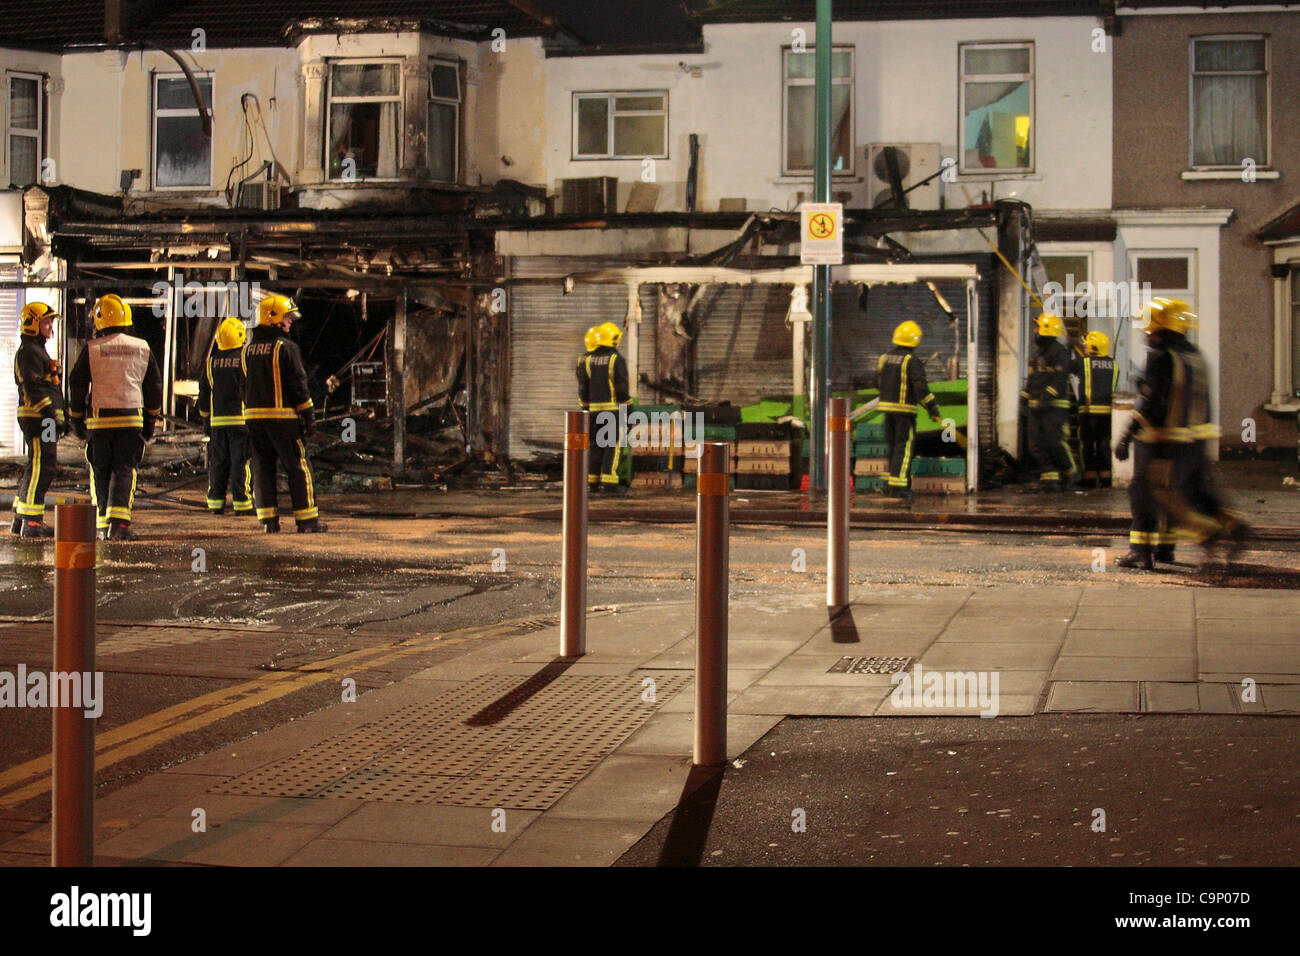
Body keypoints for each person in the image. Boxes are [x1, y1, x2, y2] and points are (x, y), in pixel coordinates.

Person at [1114, 298, 1247, 570]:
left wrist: (1127, 436)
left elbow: (1152, 401)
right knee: (1197, 493)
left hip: (1162, 441)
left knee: (1145, 493)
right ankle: (1228, 529)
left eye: (1149, 327)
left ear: (1159, 326)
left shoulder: (1161, 355)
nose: (1145, 333)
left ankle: (1144, 551)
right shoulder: (1193, 354)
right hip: (1196, 441)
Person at [67, 294, 163, 541]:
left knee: (100, 469)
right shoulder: (142, 347)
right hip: (132, 420)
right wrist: (151, 421)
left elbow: (76, 384)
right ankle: (119, 525)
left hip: (100, 423)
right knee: (124, 469)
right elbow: (153, 386)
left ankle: (102, 524)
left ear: (99, 321)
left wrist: (76, 420)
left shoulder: (91, 349)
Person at [243, 293, 325, 533]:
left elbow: (242, 388)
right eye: (287, 317)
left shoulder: (247, 351)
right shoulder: (285, 348)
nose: (290, 322)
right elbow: (299, 385)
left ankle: (269, 522)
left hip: (254, 422)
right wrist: (308, 417)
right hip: (283, 420)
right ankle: (307, 521)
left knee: (262, 469)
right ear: (273, 318)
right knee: (298, 468)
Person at [11, 302, 65, 538]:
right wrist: (51, 415)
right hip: (39, 419)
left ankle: (22, 518)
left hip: (41, 418)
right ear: (33, 323)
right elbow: (32, 387)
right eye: (46, 321)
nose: (50, 325)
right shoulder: (30, 352)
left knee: (37, 465)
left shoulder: (35, 350)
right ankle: (32, 522)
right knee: (44, 466)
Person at [877, 320, 942, 501]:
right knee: (904, 449)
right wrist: (932, 407)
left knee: (893, 449)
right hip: (904, 413)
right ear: (915, 341)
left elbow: (878, 383)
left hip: (887, 410)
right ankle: (900, 489)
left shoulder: (884, 358)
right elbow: (921, 388)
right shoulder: (911, 361)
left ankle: (892, 486)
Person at [198, 317, 254, 516]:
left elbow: (204, 395)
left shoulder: (211, 363)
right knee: (241, 463)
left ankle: (215, 503)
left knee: (218, 462)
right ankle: (242, 504)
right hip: (240, 421)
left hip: (217, 423)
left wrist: (206, 419)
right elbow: (251, 391)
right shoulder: (245, 360)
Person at [1022, 312, 1077, 491]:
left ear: (1046, 329)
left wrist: (1045, 398)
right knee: (1036, 444)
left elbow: (1059, 379)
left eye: (1038, 327)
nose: (1035, 330)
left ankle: (1070, 473)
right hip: (1036, 406)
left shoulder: (1059, 352)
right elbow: (1033, 377)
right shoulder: (1039, 353)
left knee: (1055, 442)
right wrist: (1025, 396)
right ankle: (1049, 479)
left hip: (1054, 407)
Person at [576, 321, 629, 494]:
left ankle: (592, 482)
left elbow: (583, 388)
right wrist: (627, 409)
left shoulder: (587, 360)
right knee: (612, 447)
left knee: (596, 445)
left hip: (593, 412)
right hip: (613, 411)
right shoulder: (616, 359)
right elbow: (621, 387)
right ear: (613, 339)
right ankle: (609, 483)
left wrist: (585, 408)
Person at [1071, 330, 1118, 489]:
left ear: (1093, 347)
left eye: (1086, 345)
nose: (1084, 348)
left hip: (1089, 413)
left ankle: (1089, 479)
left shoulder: (1084, 362)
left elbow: (1068, 367)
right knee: (1104, 446)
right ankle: (1105, 479)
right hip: (1108, 414)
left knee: (1088, 446)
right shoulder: (1114, 364)